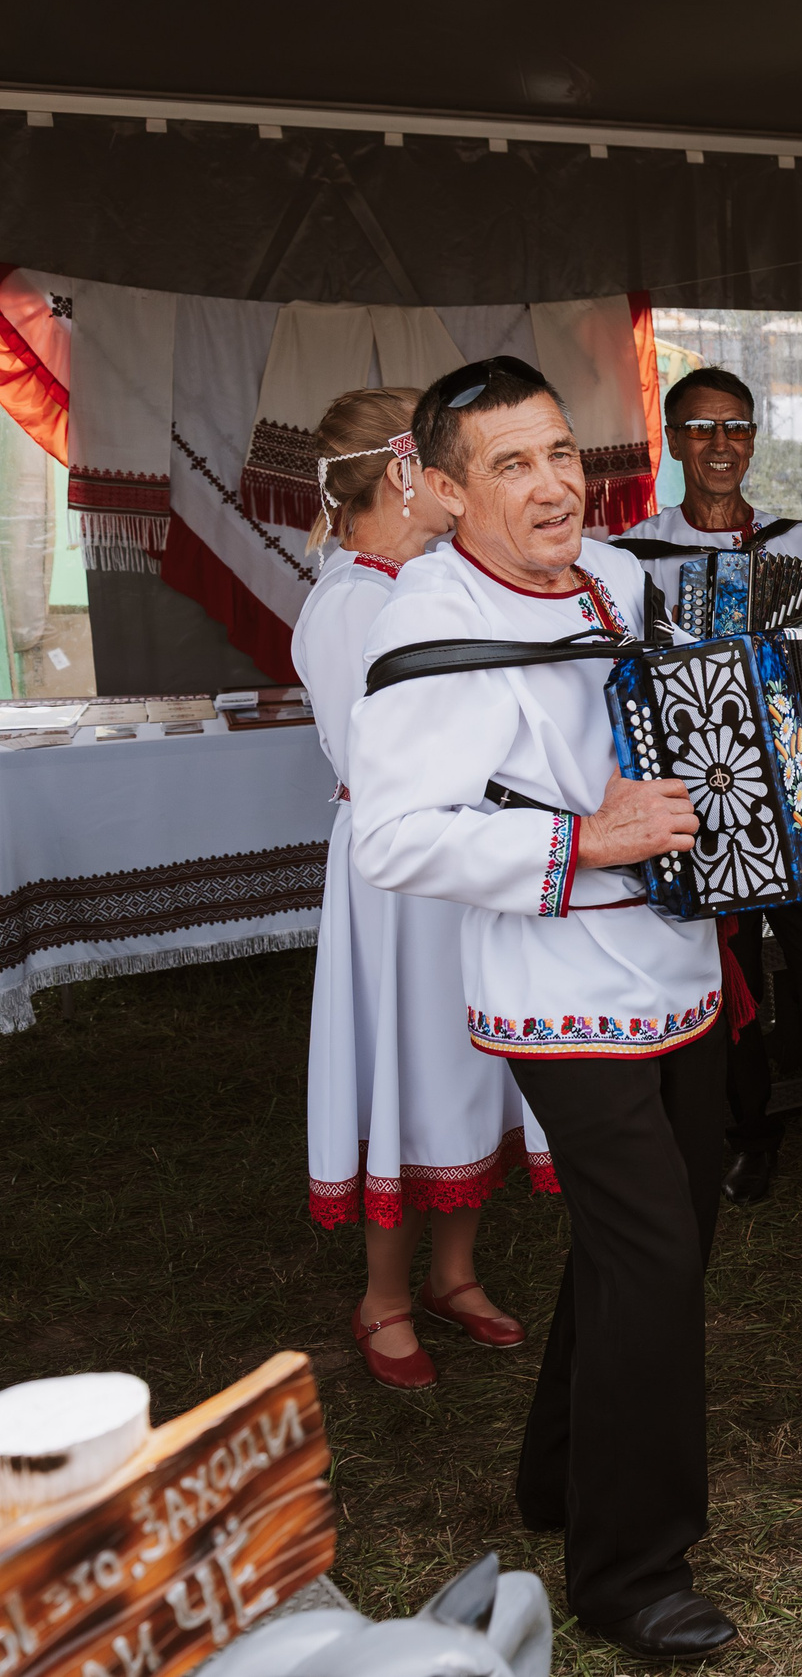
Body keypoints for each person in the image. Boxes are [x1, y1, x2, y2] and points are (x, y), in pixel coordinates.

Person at [349, 356, 736, 1662]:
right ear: (445, 489)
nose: (553, 482)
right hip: (554, 989)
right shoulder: (423, 632)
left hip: (676, 963)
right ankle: (631, 1570)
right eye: (511, 462)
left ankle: (557, 1473)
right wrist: (585, 841)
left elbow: (693, 724)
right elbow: (394, 840)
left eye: (562, 452)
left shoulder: (621, 581)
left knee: (664, 1233)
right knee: (655, 1253)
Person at [294, 387, 548, 1393]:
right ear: (406, 470)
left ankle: (454, 1273)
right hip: (399, 877)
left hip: (463, 857)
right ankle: (385, 1298)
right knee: (403, 1067)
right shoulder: (355, 602)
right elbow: (388, 751)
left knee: (465, 1060)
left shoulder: (434, 584)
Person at [612, 365, 802, 1227]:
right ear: (675, 439)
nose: (720, 444)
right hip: (695, 803)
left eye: (736, 427)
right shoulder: (633, 557)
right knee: (726, 975)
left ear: (754, 439)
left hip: (800, 796)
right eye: (701, 428)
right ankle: (750, 1134)